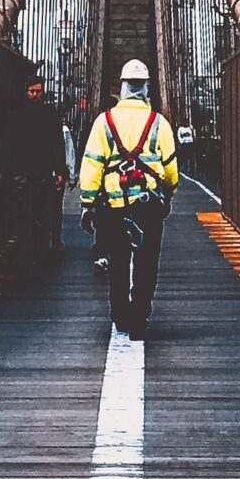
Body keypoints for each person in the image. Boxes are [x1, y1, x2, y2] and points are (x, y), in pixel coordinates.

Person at [79, 58, 179, 337]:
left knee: (118, 260)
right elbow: (170, 167)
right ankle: (139, 315)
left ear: (122, 87)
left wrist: (87, 203)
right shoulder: (158, 122)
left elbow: (92, 163)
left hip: (113, 204)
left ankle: (120, 313)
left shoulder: (104, 122)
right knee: (147, 262)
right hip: (148, 205)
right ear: (147, 88)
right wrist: (169, 194)